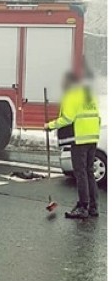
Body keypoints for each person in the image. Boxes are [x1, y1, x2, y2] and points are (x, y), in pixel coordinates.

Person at [45, 71, 101, 219]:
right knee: (89, 172)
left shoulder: (71, 96)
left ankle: (83, 207)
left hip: (80, 139)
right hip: (92, 138)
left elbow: (67, 118)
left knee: (81, 172)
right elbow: (97, 117)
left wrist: (50, 125)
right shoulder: (89, 95)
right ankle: (93, 207)